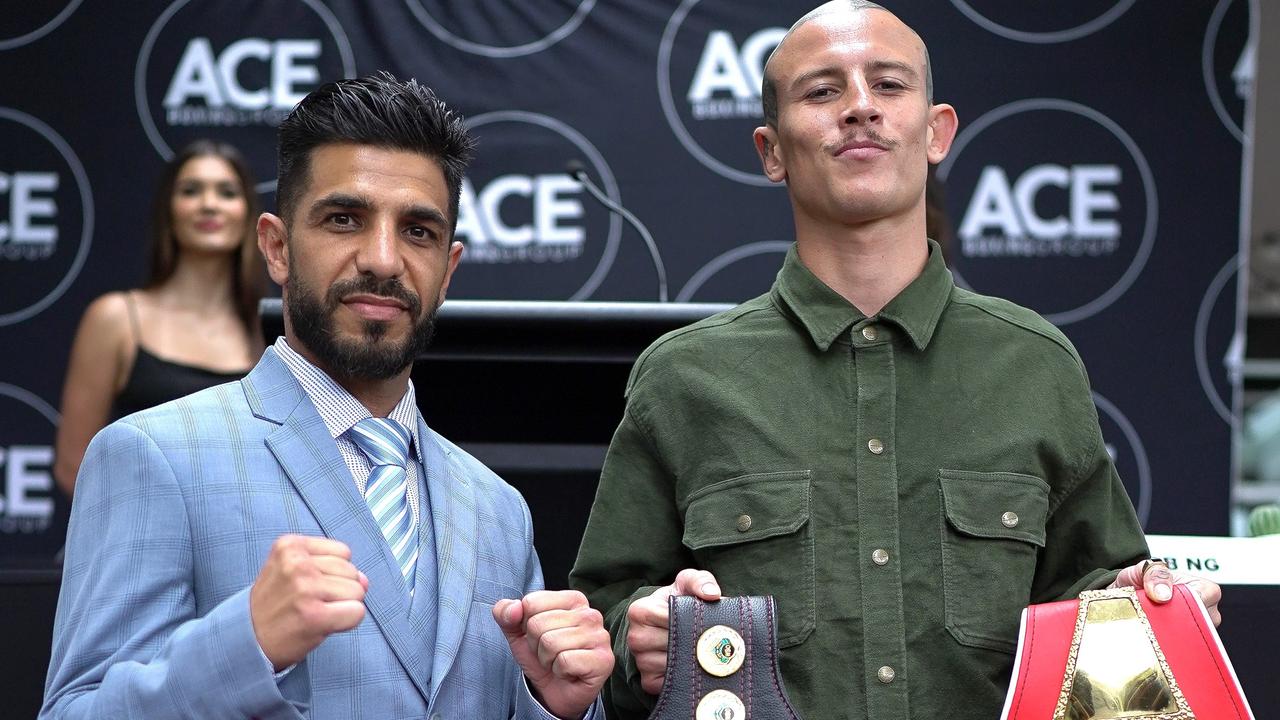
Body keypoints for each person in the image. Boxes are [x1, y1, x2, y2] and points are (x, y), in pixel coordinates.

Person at [569, 3, 1222, 719]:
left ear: (937, 130)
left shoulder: (1036, 366)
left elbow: (1097, 601)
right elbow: (601, 620)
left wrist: (1144, 608)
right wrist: (640, 639)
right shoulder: (683, 380)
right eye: (822, 91)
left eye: (888, 85)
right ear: (771, 150)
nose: (858, 108)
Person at [42, 73, 612, 719]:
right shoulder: (152, 455)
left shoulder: (497, 508)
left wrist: (556, 706)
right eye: (345, 219)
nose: (383, 259)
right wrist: (244, 643)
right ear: (277, 248)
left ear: (448, 271)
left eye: (418, 231)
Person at [53, 139, 265, 498]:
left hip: (244, 548)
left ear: (250, 215)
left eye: (227, 192)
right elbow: (73, 467)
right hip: (139, 544)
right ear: (169, 209)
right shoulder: (116, 319)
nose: (209, 204)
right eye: (191, 190)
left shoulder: (271, 330)